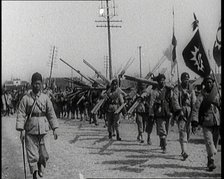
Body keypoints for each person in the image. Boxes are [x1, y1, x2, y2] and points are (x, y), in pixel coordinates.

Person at [16, 72, 59, 179]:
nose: (37, 86)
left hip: (44, 130)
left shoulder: (45, 98)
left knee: (45, 154)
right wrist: (21, 130)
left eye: (39, 83)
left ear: (42, 84)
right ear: (31, 84)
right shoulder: (26, 99)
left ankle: (41, 166)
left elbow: (51, 113)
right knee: (32, 155)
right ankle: (35, 173)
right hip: (30, 130)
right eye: (35, 83)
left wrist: (55, 128)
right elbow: (21, 113)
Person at [191, 75, 220, 171]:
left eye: (210, 82)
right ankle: (211, 161)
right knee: (209, 142)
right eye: (207, 82)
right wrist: (195, 120)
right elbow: (196, 108)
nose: (208, 83)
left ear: (213, 83)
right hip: (206, 122)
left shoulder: (218, 93)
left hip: (217, 122)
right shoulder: (201, 95)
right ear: (204, 84)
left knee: (214, 143)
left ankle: (209, 159)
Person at [172, 72, 196, 160]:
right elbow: (174, 100)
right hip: (181, 111)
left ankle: (183, 147)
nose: (186, 81)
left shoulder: (191, 89)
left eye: (187, 79)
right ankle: (185, 151)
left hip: (189, 111)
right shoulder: (177, 89)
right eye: (185, 79)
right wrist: (179, 110)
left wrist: (194, 113)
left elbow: (194, 101)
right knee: (182, 131)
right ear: (181, 80)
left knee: (188, 131)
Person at [148, 74, 172, 153]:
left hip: (167, 112)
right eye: (161, 80)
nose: (163, 81)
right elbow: (151, 103)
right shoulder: (154, 92)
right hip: (158, 112)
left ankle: (162, 142)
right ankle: (164, 146)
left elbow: (171, 100)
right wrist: (151, 114)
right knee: (162, 129)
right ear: (158, 82)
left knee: (166, 130)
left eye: (164, 80)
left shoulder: (168, 90)